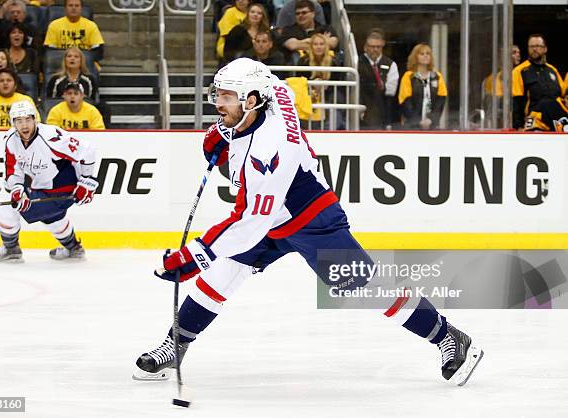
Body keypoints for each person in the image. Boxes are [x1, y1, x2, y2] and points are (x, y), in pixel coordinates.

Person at [133, 58, 483, 387]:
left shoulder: (268, 150)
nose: (218, 105)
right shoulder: (270, 93)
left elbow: (252, 220)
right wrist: (226, 134)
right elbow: (277, 83)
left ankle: (449, 337)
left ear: (251, 100)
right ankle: (175, 346)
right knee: (222, 276)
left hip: (310, 219)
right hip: (270, 218)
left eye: (226, 98)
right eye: (218, 95)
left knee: (369, 290)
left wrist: (195, 255)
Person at [0, 100, 98, 262]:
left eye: (28, 119)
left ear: (35, 119)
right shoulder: (10, 139)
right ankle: (74, 248)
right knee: (52, 218)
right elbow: (12, 168)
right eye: (19, 120)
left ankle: (11, 249)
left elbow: (87, 150)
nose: (24, 125)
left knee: (10, 207)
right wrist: (17, 189)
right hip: (39, 184)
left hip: (63, 187)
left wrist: (86, 182)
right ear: (13, 123)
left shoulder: (51, 137)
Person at [512, 34, 565, 130]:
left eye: (537, 46)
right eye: (531, 46)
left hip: (556, 122)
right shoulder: (519, 71)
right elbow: (516, 101)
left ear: (545, 49)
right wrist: (518, 127)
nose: (534, 49)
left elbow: (562, 97)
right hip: (534, 123)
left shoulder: (553, 70)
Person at [398, 43, 447, 130]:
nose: (425, 56)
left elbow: (441, 100)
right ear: (415, 57)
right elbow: (405, 100)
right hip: (412, 125)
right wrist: (417, 121)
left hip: (432, 125)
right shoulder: (409, 76)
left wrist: (431, 119)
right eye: (422, 54)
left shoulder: (437, 76)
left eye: (428, 54)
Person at [358, 29, 398, 130]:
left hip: (381, 110)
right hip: (361, 109)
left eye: (378, 47)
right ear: (365, 47)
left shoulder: (391, 64)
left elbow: (390, 92)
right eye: (372, 47)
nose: (375, 49)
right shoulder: (357, 62)